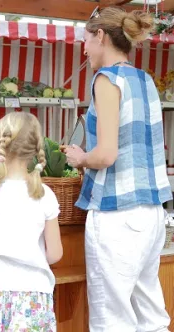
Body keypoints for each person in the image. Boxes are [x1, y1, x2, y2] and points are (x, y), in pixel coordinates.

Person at [64, 6, 172, 332]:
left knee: (113, 320)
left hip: (117, 215)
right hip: (151, 213)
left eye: (86, 40)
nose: (84, 49)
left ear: (100, 36)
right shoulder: (145, 80)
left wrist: (80, 157)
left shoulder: (106, 80)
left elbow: (106, 154)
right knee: (151, 315)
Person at [0, 112, 63, 331]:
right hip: (37, 295)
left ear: (0, 145)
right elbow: (55, 254)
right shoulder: (44, 194)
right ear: (35, 149)